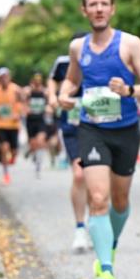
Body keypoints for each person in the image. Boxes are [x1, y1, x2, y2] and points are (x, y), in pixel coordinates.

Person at [58, 0, 140, 279]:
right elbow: (72, 79)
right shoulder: (78, 47)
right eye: (92, 4)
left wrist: (129, 90)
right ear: (84, 10)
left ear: (112, 9)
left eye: (104, 4)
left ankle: (108, 251)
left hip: (125, 130)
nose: (98, 9)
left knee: (120, 201)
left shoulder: (130, 44)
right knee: (97, 198)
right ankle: (107, 271)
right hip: (92, 128)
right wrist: (63, 94)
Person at [49, 41, 91, 254]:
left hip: (97, 127)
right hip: (73, 127)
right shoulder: (63, 63)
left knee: (97, 178)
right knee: (79, 175)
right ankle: (80, 228)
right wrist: (53, 98)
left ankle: (96, 218)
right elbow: (52, 82)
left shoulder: (101, 59)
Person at [0, 67, 23, 185]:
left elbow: (23, 103)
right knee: (4, 148)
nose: (4, 79)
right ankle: (6, 175)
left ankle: (9, 157)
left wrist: (19, 113)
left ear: (9, 77)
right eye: (2, 77)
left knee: (14, 152)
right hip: (0, 124)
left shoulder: (16, 90)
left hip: (13, 125)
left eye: (6, 77)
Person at [22, 73, 50, 177]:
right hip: (31, 121)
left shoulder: (44, 92)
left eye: (39, 80)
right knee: (34, 144)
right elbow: (23, 101)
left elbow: (49, 102)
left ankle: (38, 166)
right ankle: (31, 151)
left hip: (40, 120)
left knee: (41, 141)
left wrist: (48, 108)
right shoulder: (29, 91)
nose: (37, 83)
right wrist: (26, 108)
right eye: (36, 80)